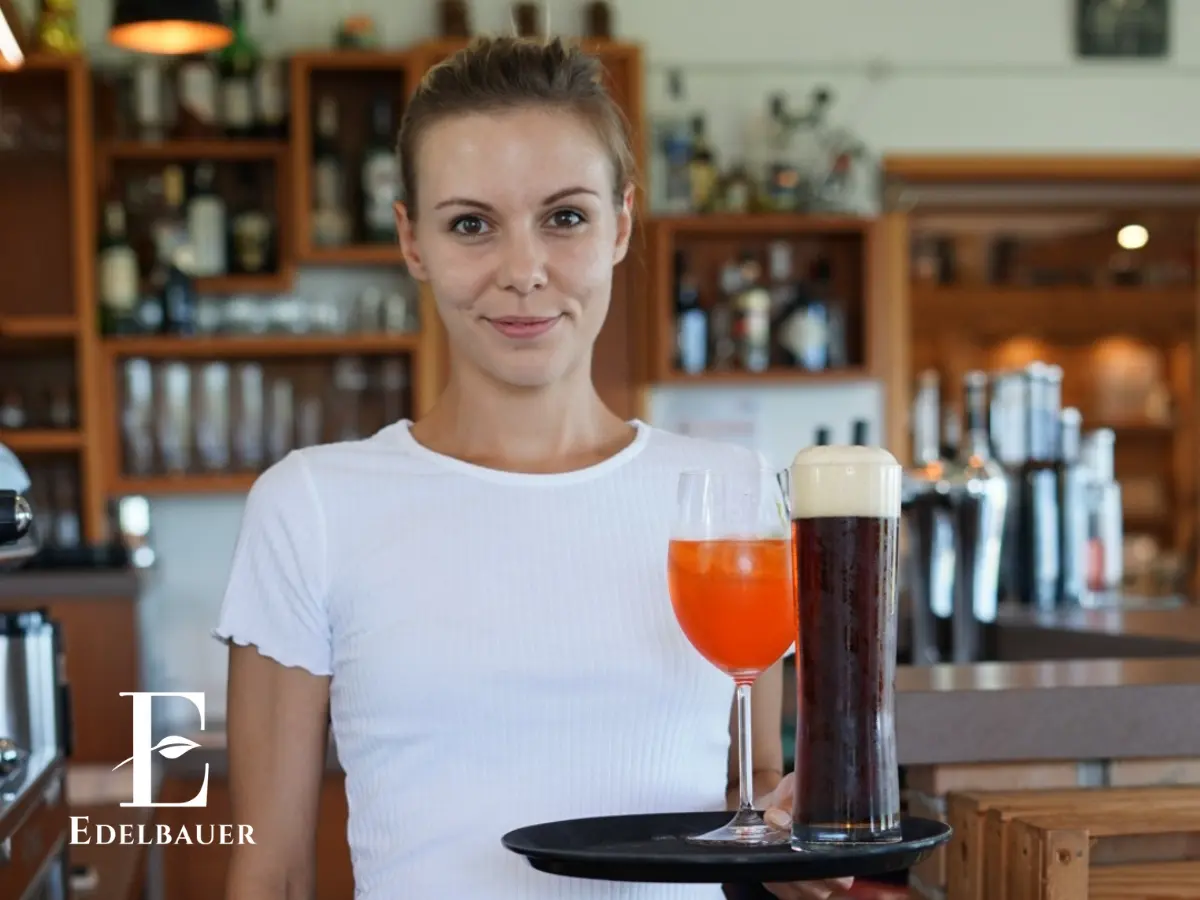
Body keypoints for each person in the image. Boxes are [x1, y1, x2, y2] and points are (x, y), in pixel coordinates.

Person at [214, 35, 853, 900]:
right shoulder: (312, 505)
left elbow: (751, 808)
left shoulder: (730, 489)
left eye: (565, 217)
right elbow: (272, 869)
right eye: (471, 224)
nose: (523, 272)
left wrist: (806, 840)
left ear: (621, 224)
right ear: (412, 241)